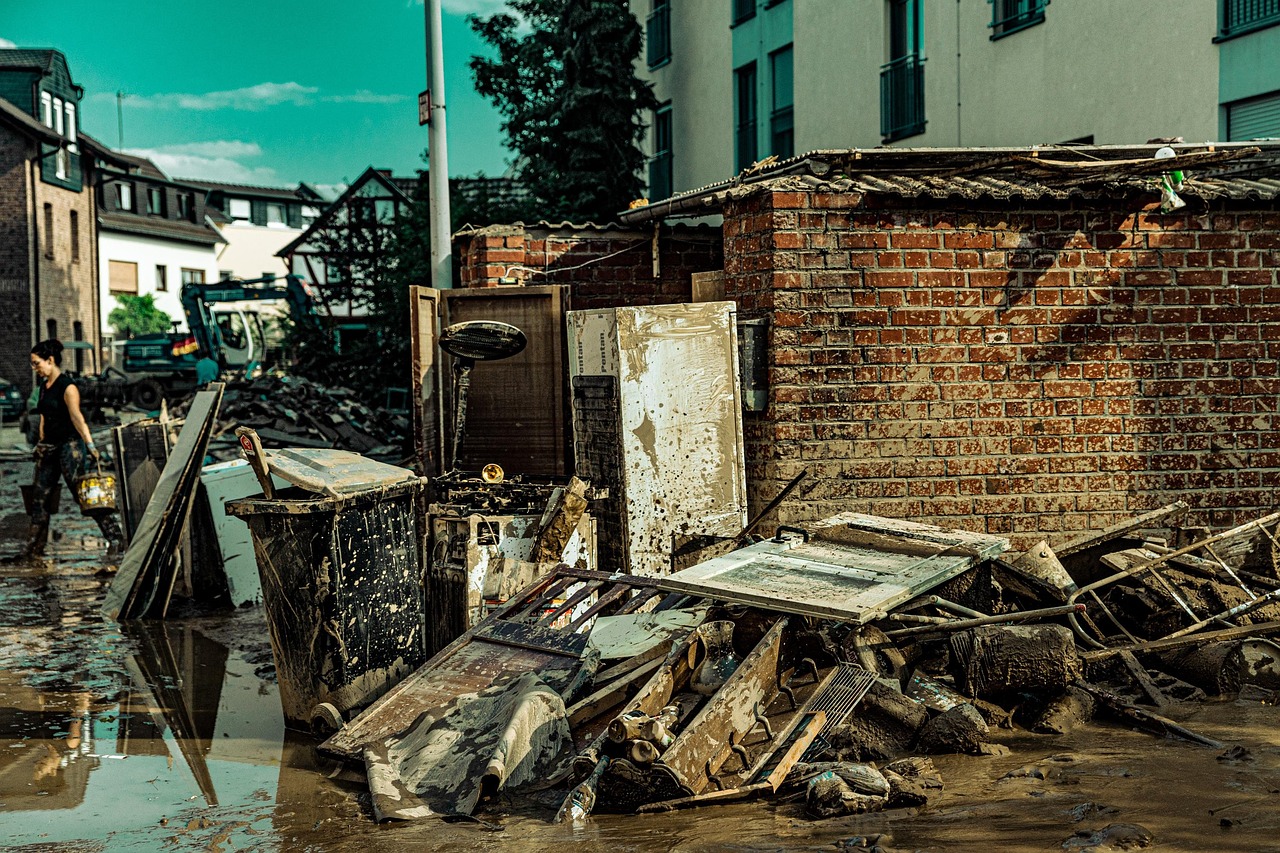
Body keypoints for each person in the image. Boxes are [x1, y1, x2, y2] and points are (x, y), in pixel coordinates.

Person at [22, 340, 123, 560]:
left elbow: (77, 418)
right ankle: (33, 550)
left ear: (50, 361)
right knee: (39, 499)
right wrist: (40, 443)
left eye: (36, 363)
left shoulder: (68, 387)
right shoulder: (43, 388)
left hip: (70, 447)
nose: (34, 368)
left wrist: (91, 446)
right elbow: (43, 417)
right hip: (49, 448)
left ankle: (116, 539)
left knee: (85, 495)